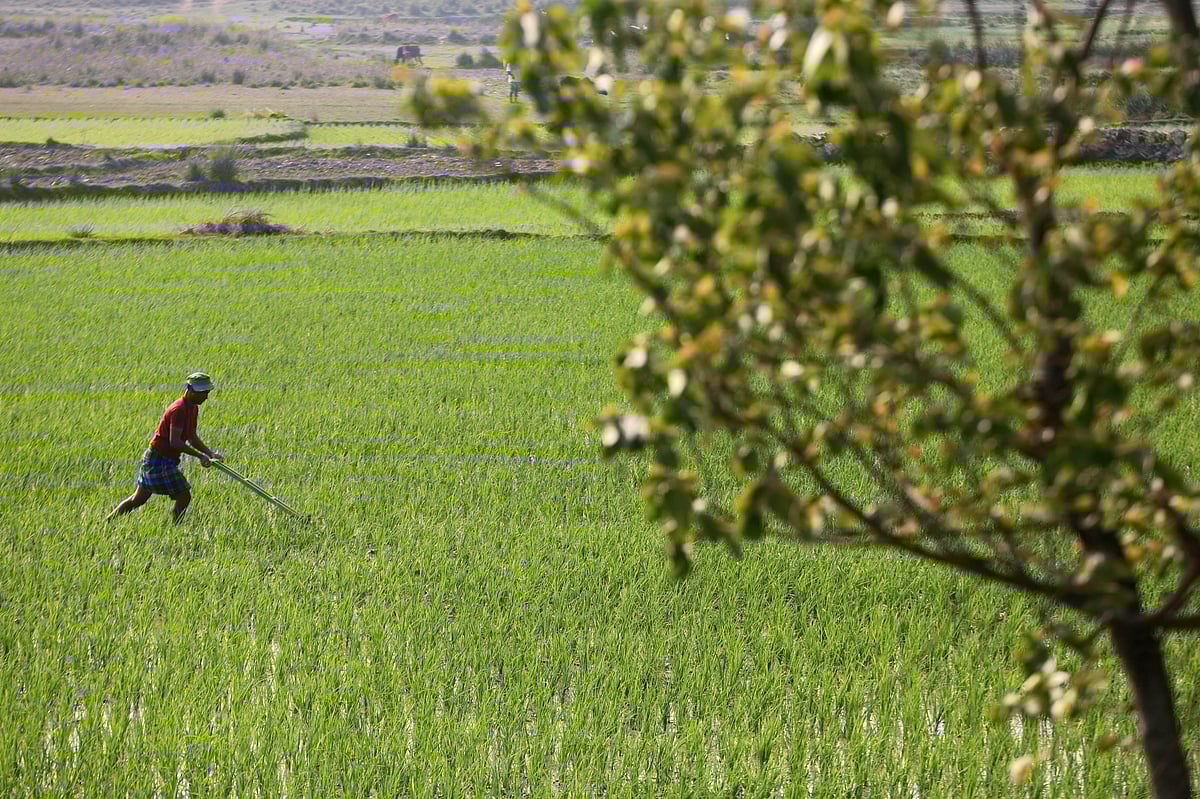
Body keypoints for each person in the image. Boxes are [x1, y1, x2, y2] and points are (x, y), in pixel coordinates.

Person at [106, 371, 224, 524]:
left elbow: (191, 436)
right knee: (183, 494)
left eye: (207, 392)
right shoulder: (178, 410)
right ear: (191, 390)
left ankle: (108, 522)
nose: (206, 397)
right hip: (159, 459)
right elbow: (175, 442)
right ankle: (176, 526)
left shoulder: (193, 408)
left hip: (164, 459)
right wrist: (200, 456)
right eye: (203, 393)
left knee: (138, 499)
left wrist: (209, 453)